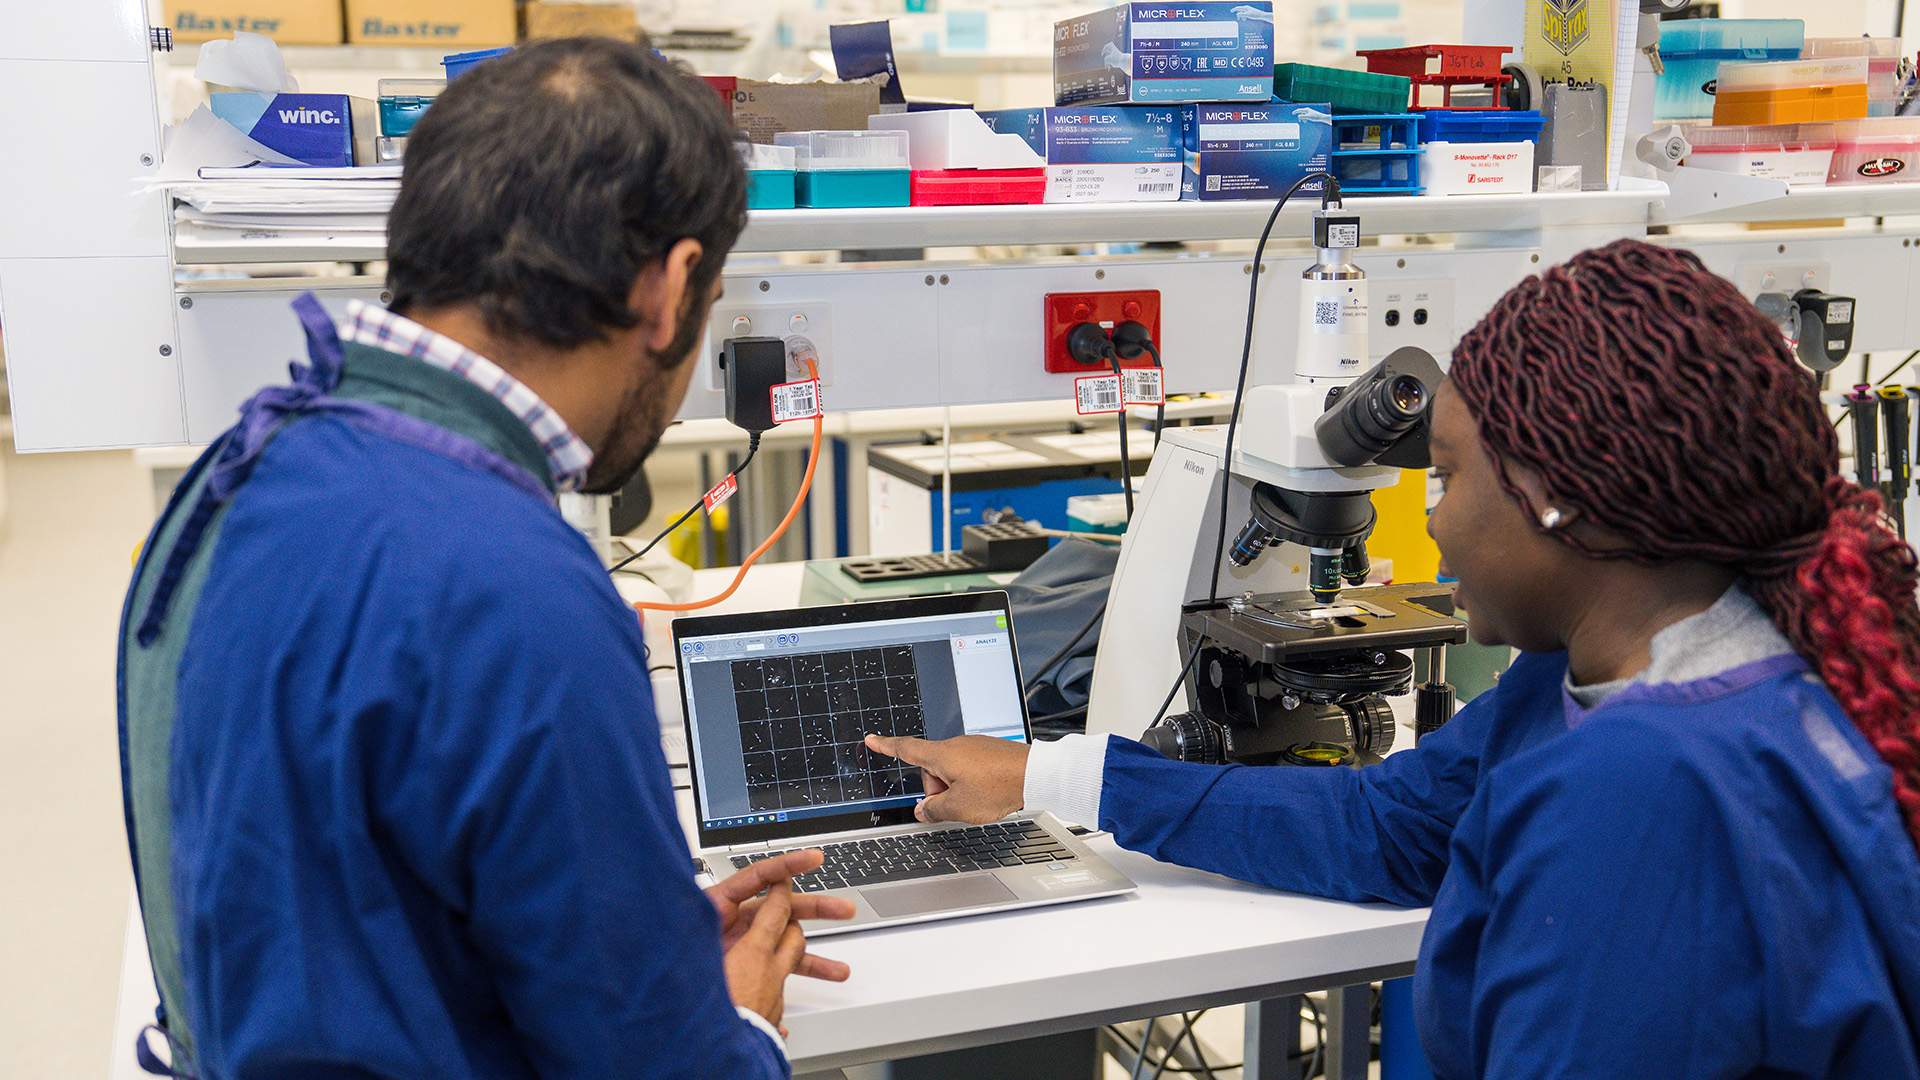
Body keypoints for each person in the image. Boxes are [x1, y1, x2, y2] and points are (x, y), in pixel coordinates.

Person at [869, 240, 1920, 1078]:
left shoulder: (1641, 792)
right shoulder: (1615, 676)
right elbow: (1385, 827)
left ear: (1557, 499)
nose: (1436, 525)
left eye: (1450, 478)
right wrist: (1055, 776)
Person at [118, 39, 852, 1079]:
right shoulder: (517, 587)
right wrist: (738, 1022)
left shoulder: (234, 475)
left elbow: (334, 896)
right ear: (672, 286)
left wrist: (634, 928)